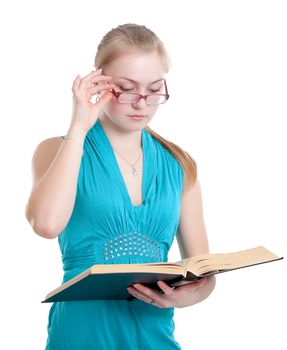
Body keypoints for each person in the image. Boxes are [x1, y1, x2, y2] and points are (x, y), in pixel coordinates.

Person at [25, 23, 216, 350]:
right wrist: (79, 126)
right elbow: (46, 224)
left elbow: (204, 273)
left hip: (154, 333)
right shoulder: (57, 150)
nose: (142, 103)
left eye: (154, 89)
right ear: (99, 84)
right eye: (126, 88)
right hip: (82, 333)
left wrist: (187, 296)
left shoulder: (180, 165)